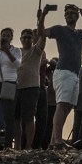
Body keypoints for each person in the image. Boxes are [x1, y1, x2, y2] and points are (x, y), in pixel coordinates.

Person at [47, 4, 82, 146]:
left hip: (75, 73)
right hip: (64, 71)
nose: (70, 15)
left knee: (69, 106)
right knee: (62, 105)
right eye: (67, 14)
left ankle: (54, 140)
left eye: (72, 13)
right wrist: (43, 15)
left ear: (77, 16)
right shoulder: (60, 30)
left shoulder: (79, 33)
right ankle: (58, 140)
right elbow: (41, 32)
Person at [15, 14, 49, 151]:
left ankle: (29, 146)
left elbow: (43, 36)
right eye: (25, 37)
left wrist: (41, 18)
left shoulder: (37, 51)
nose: (27, 39)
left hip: (31, 87)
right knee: (16, 119)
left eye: (29, 37)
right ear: (20, 39)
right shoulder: (16, 52)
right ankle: (17, 146)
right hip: (16, 87)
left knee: (29, 118)